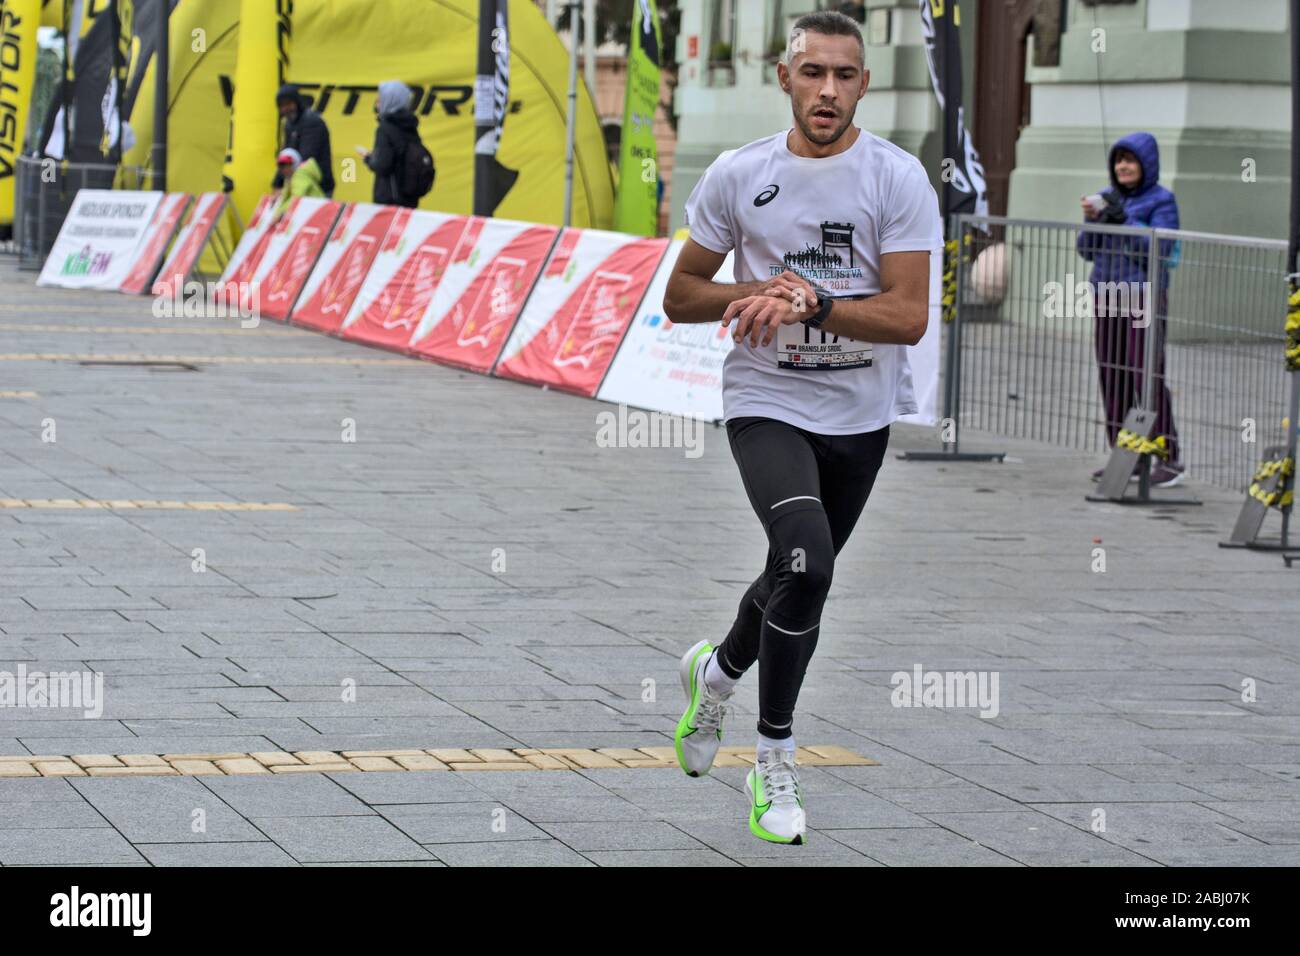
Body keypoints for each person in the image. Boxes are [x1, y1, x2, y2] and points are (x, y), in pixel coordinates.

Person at [662, 10, 938, 845]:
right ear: (784, 78)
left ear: (865, 84)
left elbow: (909, 316)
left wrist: (818, 303)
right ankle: (773, 759)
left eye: (845, 75)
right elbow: (680, 296)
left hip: (859, 416)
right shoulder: (739, 175)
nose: (828, 90)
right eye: (812, 73)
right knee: (807, 561)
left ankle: (715, 675)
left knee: (795, 575)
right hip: (766, 401)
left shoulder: (896, 178)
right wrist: (755, 294)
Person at [1077, 132, 1182, 487]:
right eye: (1118, 160)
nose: (1122, 166)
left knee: (1146, 374)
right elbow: (1086, 250)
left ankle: (1168, 457)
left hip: (1144, 298)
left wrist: (1124, 221)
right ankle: (1126, 455)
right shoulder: (1108, 198)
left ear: (1146, 164)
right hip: (1106, 296)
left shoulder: (1162, 200)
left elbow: (1161, 248)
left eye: (1130, 160)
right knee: (1113, 375)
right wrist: (1093, 219)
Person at [360, 81, 423, 208]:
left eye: (380, 99)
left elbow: (382, 165)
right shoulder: (410, 125)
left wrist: (368, 158)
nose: (377, 103)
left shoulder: (385, 128)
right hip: (409, 194)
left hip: (389, 197)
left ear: (390, 100)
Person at [273, 84, 335, 197]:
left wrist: (282, 183)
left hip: (317, 185)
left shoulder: (312, 121)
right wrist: (277, 183)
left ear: (297, 102)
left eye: (288, 104)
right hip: (300, 183)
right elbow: (286, 154)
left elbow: (306, 158)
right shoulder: (289, 124)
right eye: (281, 106)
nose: (285, 109)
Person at [272, 148, 325, 218]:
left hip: (318, 213)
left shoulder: (300, 175)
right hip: (311, 213)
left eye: (287, 164)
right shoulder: (289, 177)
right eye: (281, 165)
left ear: (294, 163)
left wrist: (279, 213)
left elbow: (296, 198)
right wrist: (277, 212)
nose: (283, 168)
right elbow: (285, 198)